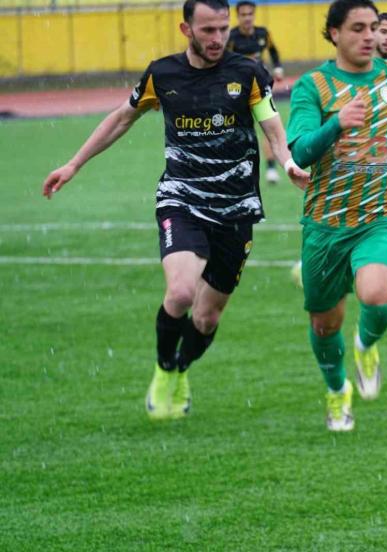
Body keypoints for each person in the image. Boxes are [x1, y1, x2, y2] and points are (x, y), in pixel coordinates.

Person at [41, 0, 309, 421]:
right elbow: (121, 119)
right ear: (187, 30)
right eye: (208, 30)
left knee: (206, 317)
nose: (217, 38)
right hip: (181, 199)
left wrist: (288, 162)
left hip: (236, 207)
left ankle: (182, 367)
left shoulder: (247, 73)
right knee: (182, 292)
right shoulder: (162, 74)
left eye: (222, 29)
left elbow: (271, 126)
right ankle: (164, 368)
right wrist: (74, 164)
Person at [287, 0, 387, 431]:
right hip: (325, 224)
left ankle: (366, 343)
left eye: (373, 27)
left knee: (378, 292)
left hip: (381, 214)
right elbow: (300, 150)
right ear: (334, 33)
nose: (370, 36)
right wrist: (336, 124)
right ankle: (337, 390)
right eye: (358, 28)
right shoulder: (313, 86)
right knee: (325, 325)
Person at [228, 0, 286, 184]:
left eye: (250, 14)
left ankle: (271, 169)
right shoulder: (231, 37)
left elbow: (274, 51)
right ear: (238, 16)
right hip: (237, 90)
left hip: (260, 87)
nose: (247, 18)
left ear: (254, 15)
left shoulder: (263, 33)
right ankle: (235, 168)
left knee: (268, 127)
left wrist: (278, 68)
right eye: (243, 15)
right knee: (236, 130)